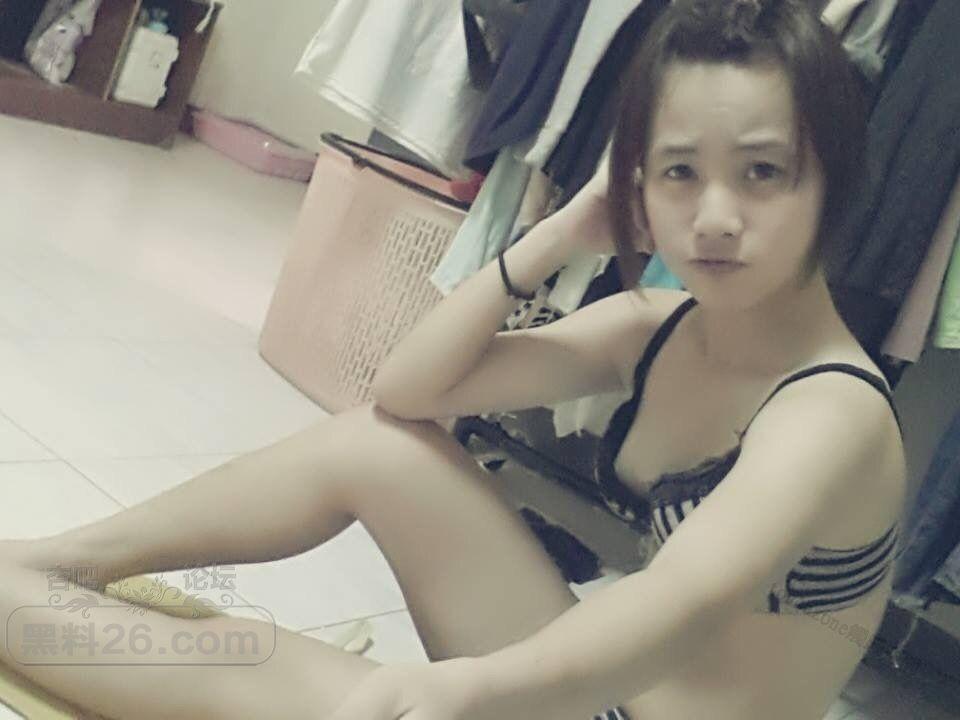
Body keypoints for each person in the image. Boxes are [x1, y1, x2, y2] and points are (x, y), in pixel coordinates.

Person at [0, 1, 906, 718]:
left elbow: (683, 602)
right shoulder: (661, 325)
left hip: (618, 694)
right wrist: (555, 234)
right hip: (601, 687)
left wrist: (466, 691)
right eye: (679, 172)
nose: (713, 217)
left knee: (241, 664)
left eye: (762, 172)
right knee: (377, 442)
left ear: (832, 179)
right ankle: (62, 559)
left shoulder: (832, 415)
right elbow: (407, 393)